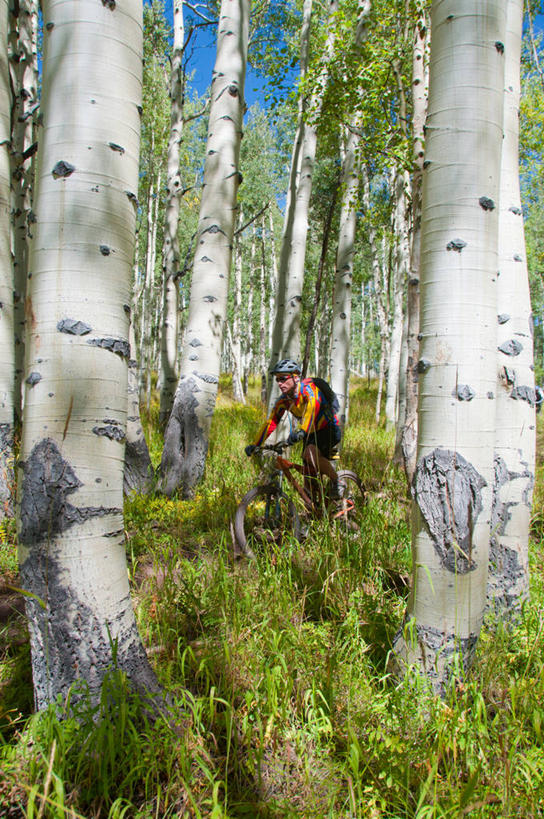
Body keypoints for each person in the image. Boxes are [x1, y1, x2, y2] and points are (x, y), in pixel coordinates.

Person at [245, 359, 344, 499]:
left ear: (296, 377)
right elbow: (271, 423)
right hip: (309, 433)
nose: (279, 383)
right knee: (308, 474)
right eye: (277, 380)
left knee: (309, 454)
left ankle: (338, 482)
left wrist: (302, 430)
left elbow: (312, 408)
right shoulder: (284, 401)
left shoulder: (309, 389)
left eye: (283, 379)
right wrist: (255, 444)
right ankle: (314, 504)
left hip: (328, 429)